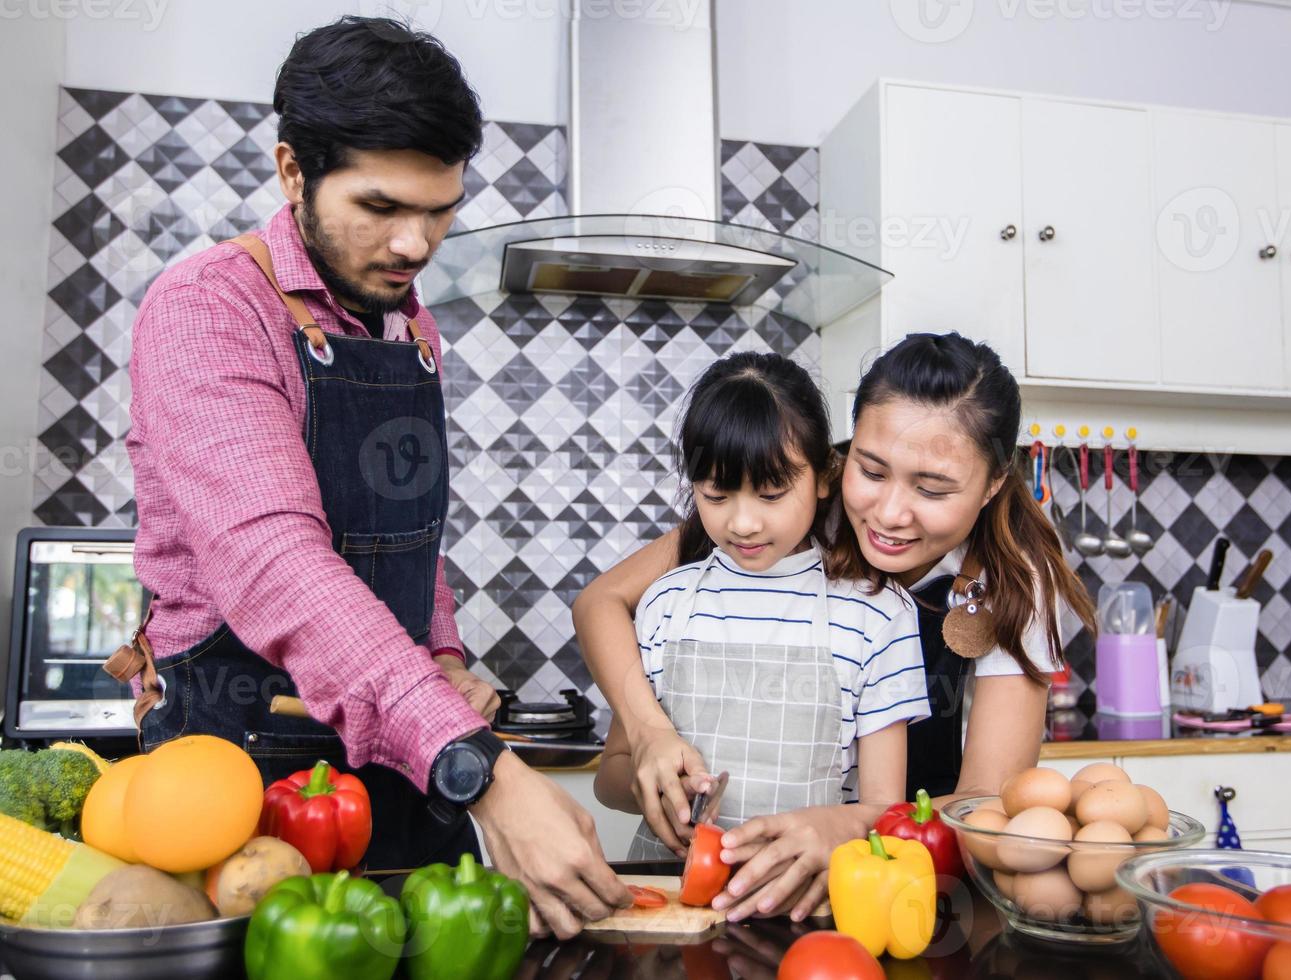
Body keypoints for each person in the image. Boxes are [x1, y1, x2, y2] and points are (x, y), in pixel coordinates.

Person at [116, 17, 626, 938]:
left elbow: (404, 533)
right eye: (382, 207)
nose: (417, 243)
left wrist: (441, 656)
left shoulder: (407, 326)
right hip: (240, 759)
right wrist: (484, 767)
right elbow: (277, 562)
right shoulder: (207, 311)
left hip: (397, 745)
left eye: (440, 211)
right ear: (291, 172)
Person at [574, 333, 1093, 921]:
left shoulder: (1015, 579)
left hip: (909, 872)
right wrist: (647, 733)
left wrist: (854, 823)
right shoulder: (782, 503)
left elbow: (984, 802)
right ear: (840, 462)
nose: (889, 514)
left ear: (995, 481)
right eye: (872, 471)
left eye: (932, 488)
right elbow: (600, 603)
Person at [590, 352, 928, 865]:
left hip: (807, 900)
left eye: (772, 493)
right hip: (672, 891)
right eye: (717, 495)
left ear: (823, 477)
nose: (743, 523)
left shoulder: (878, 615)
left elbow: (887, 811)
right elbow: (610, 777)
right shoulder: (664, 603)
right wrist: (654, 780)